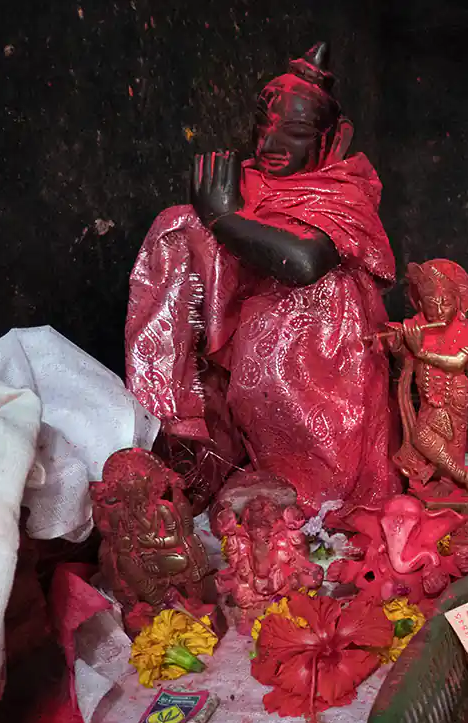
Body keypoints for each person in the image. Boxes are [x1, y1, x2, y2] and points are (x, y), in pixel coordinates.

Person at [125, 43, 398, 520]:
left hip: (326, 363)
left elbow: (306, 261)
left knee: (324, 489)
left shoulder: (343, 190)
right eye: (262, 129)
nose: (270, 146)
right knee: (178, 224)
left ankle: (313, 482)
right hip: (248, 363)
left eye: (294, 132)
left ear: (335, 137)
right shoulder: (248, 182)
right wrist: (203, 223)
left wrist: (225, 218)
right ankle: (198, 434)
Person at [386, 259, 468, 498]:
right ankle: (459, 474)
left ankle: (449, 479)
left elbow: (457, 363)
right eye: (432, 304)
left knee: (453, 439)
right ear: (420, 304)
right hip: (427, 393)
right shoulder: (418, 328)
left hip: (455, 391)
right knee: (422, 437)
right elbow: (405, 360)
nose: (439, 310)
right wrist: (398, 344)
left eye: (446, 303)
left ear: (459, 304)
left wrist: (421, 352)